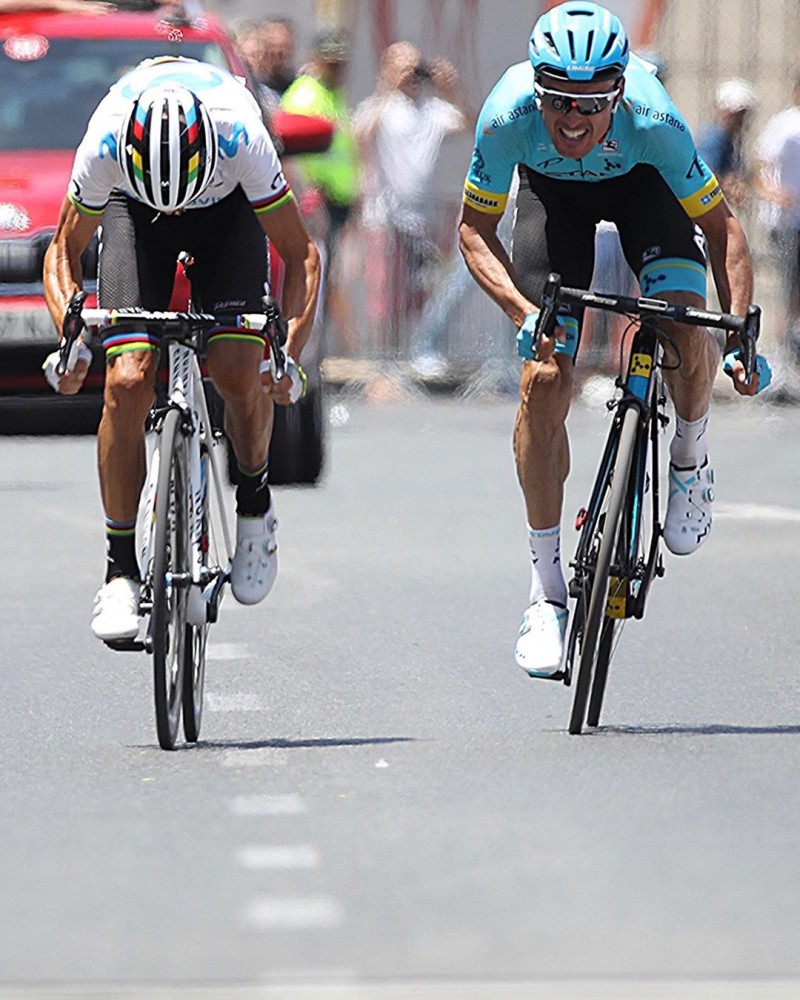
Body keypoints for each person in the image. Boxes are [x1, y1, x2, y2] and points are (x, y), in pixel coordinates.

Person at [458, 2, 770, 679]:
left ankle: (689, 456)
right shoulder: (508, 115)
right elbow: (474, 233)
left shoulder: (655, 121)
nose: (572, 120)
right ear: (537, 90)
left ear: (618, 93)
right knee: (545, 377)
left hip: (644, 192)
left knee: (685, 324)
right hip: (552, 205)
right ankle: (544, 593)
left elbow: (723, 231)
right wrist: (522, 313)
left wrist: (740, 329)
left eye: (591, 105)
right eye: (559, 102)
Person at [42, 55, 320, 642]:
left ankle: (253, 501)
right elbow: (64, 253)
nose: (174, 206)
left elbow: (302, 256)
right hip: (131, 211)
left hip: (227, 212)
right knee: (125, 380)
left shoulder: (242, 136)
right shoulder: (107, 140)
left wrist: (287, 354)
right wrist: (70, 337)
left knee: (238, 370)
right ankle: (119, 571)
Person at [353, 41, 473, 362]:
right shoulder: (380, 107)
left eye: (415, 66)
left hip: (422, 218)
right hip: (384, 215)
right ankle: (380, 362)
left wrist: (451, 87)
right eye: (402, 66)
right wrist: (387, 86)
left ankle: (411, 357)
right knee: (383, 295)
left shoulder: (432, 110)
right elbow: (361, 134)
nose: (411, 74)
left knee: (420, 294)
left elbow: (469, 124)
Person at [281, 29, 360, 352]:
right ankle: (307, 350)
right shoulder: (305, 96)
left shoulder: (330, 93)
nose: (338, 71)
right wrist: (310, 195)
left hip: (337, 201)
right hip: (317, 203)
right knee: (317, 278)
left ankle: (321, 351)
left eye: (341, 64)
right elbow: (291, 151)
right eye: (331, 64)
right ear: (316, 61)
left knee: (330, 281)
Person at [754, 77, 800, 358]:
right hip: (786, 220)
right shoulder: (784, 123)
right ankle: (782, 349)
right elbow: (761, 164)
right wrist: (773, 194)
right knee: (788, 284)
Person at [696, 78, 756, 208]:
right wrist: (728, 187)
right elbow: (705, 174)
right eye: (738, 115)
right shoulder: (714, 138)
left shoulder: (731, 141)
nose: (741, 120)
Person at [237, 17, 297, 113]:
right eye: (274, 46)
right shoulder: (251, 86)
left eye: (284, 47)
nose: (278, 52)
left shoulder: (294, 84)